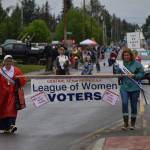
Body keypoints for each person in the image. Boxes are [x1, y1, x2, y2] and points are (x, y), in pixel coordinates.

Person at [113, 48, 144, 130]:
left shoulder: (137, 64)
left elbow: (142, 74)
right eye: (124, 55)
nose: (126, 57)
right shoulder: (121, 65)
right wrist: (117, 70)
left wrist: (135, 76)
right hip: (124, 87)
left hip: (134, 87)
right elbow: (117, 74)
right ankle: (126, 123)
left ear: (131, 55)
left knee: (134, 106)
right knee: (124, 103)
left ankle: (132, 124)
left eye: (127, 55)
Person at [0, 55, 26, 133]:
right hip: (2, 94)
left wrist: (18, 81)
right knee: (2, 110)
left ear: (12, 62)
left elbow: (23, 80)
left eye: (10, 61)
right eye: (7, 61)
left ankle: (12, 125)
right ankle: (6, 127)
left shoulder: (16, 70)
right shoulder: (1, 71)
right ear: (4, 62)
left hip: (13, 93)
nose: (8, 62)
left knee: (11, 109)